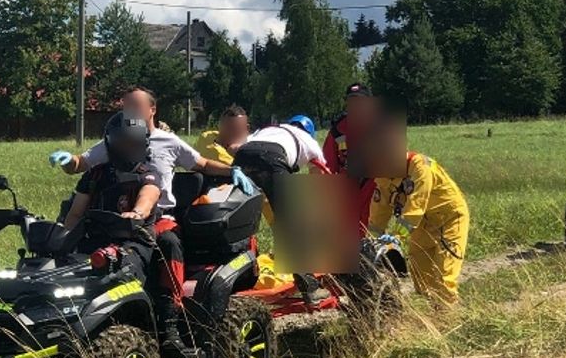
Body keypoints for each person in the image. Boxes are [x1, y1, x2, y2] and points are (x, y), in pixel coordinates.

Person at [60, 112, 185, 351]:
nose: (127, 148)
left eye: (133, 143)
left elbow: (148, 195)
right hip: (92, 242)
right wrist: (62, 240)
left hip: (135, 243)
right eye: (122, 142)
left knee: (116, 275)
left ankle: (169, 328)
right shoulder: (95, 175)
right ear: (110, 142)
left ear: (143, 144)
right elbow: (75, 214)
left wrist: (136, 214)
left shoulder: (147, 173)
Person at [49, 88, 255, 209]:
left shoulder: (169, 141)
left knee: (170, 245)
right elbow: (80, 164)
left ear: (152, 110)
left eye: (136, 106)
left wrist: (232, 171)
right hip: (119, 214)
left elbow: (202, 164)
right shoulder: (117, 140)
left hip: (160, 217)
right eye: (127, 107)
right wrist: (67, 160)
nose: (130, 111)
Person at [232, 115, 331, 304]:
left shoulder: (268, 129)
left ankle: (238, 273)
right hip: (271, 158)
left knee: (239, 218)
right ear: (310, 131)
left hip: (242, 157)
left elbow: (236, 147)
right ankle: (310, 287)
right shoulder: (308, 140)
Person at [370, 126, 470, 307]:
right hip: (423, 224)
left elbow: (416, 206)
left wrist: (397, 236)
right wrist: (370, 244)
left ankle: (448, 319)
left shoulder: (420, 166)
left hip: (449, 219)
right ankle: (436, 310)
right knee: (420, 274)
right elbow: (378, 215)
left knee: (444, 275)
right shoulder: (383, 177)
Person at [322, 83, 379, 237]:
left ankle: (369, 256)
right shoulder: (338, 128)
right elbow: (327, 165)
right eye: (351, 101)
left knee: (372, 227)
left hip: (373, 186)